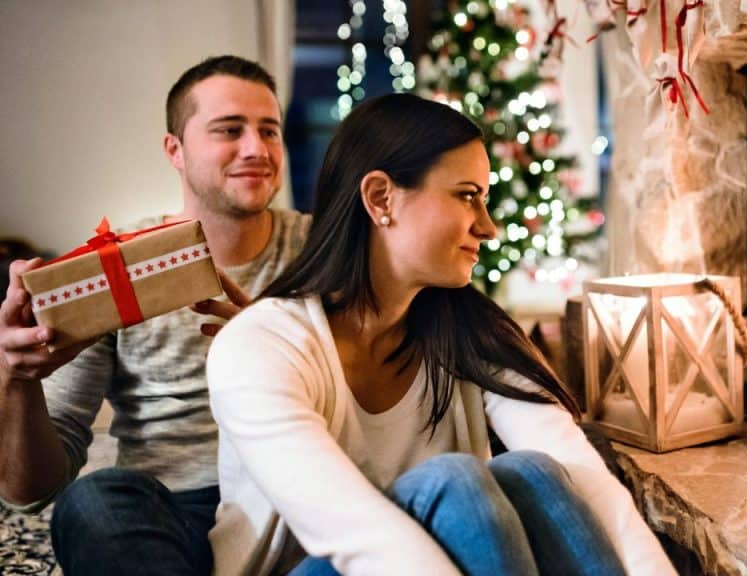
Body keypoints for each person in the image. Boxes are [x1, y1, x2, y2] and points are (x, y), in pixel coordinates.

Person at [205, 93, 676, 576]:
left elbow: (586, 480)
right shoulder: (259, 345)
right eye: (468, 195)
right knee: (455, 481)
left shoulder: (468, 332)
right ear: (381, 198)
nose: (489, 228)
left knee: (531, 473)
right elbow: (360, 537)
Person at [0, 55, 310, 575]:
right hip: (171, 509)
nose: (257, 149)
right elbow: (28, 493)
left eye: (270, 130)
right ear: (175, 150)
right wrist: (14, 379)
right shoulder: (113, 272)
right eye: (229, 130)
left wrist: (276, 346)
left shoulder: (326, 250)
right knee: (92, 502)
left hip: (297, 494)